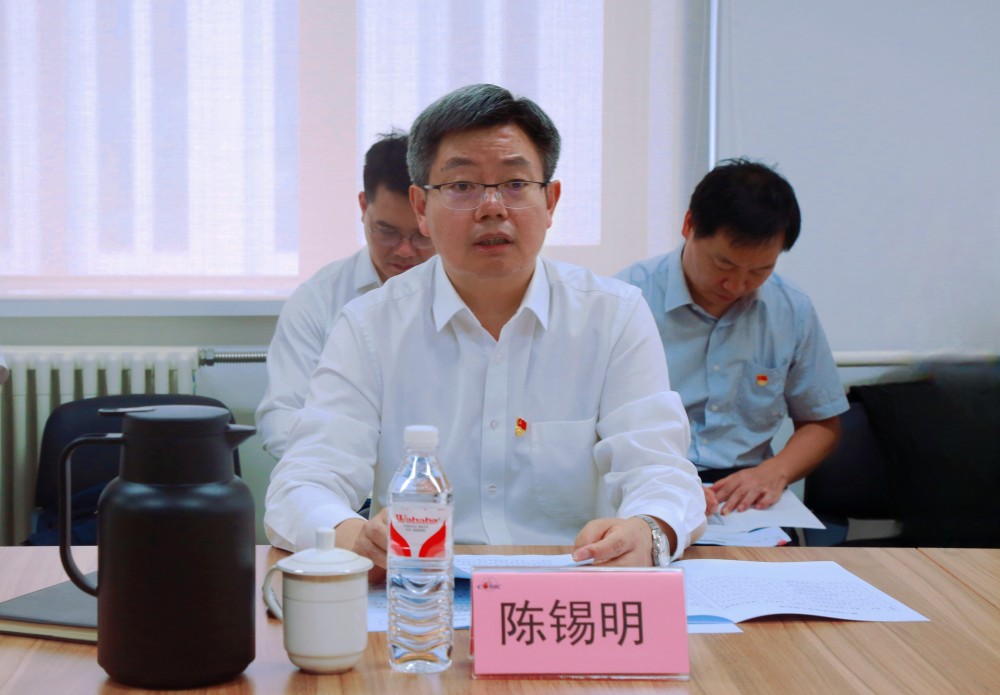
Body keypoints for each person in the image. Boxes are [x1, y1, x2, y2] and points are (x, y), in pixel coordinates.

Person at [265, 84, 705, 576]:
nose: (492, 207)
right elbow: (301, 484)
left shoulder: (613, 316)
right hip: (422, 590)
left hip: (567, 589)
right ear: (421, 207)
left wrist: (648, 530)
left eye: (515, 183)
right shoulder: (369, 325)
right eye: (462, 186)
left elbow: (660, 470)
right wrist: (354, 537)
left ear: (551, 201)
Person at [616, 159, 848, 515]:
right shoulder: (625, 300)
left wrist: (775, 471)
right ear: (689, 225)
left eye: (761, 269)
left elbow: (821, 423)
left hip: (744, 493)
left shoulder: (791, 309)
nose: (738, 285)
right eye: (723, 264)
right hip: (648, 484)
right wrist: (665, 483)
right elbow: (588, 421)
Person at [256, 132, 435, 459]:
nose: (405, 250)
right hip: (343, 482)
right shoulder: (318, 299)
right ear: (363, 207)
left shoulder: (472, 293)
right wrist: (333, 473)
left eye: (421, 235)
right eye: (387, 232)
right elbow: (282, 416)